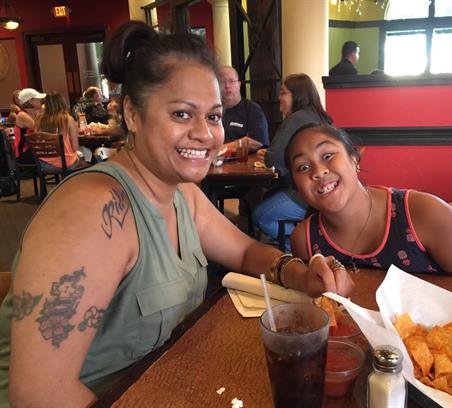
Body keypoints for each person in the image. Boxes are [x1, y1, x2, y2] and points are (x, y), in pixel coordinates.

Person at [0, 21, 354, 407]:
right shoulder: (92, 210)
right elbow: (37, 395)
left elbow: (246, 252)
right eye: (183, 115)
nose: (205, 133)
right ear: (133, 115)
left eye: (214, 116)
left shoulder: (182, 193)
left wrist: (296, 271)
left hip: (152, 384)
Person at [286, 124, 452, 276]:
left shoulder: (425, 213)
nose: (319, 171)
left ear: (354, 159)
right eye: (303, 167)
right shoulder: (305, 239)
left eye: (328, 155)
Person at [252, 73, 332, 249]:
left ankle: (299, 247)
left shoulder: (296, 118)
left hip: (306, 194)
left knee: (260, 216)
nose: (279, 98)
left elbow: (274, 157)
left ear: (297, 95)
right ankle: (309, 241)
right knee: (268, 197)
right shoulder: (321, 117)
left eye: (283, 92)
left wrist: (267, 155)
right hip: (327, 190)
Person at [218, 65, 269, 151]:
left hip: (244, 162)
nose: (227, 86)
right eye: (222, 82)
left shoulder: (253, 110)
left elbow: (256, 142)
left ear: (239, 85)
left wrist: (221, 149)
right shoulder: (212, 111)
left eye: (231, 81)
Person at [34, 92, 81, 171]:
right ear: (62, 102)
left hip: (44, 163)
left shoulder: (39, 119)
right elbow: (75, 147)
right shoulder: (68, 119)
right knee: (84, 156)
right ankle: (71, 181)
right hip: (66, 163)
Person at [14, 88, 46, 165]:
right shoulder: (22, 115)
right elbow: (41, 130)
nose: (41, 100)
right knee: (58, 154)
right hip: (24, 153)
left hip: (34, 149)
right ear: (30, 101)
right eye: (38, 98)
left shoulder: (34, 113)